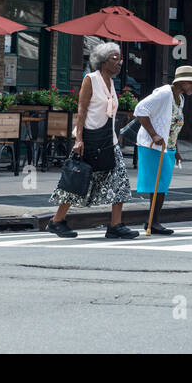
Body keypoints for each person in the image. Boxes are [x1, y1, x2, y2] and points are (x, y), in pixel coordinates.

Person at [45, 42, 137, 240]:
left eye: (120, 59)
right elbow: (82, 110)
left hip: (108, 141)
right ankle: (56, 220)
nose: (119, 63)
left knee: (120, 181)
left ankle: (115, 225)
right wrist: (78, 139)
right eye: (114, 59)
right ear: (102, 61)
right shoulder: (91, 79)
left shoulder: (111, 82)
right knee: (77, 181)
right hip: (89, 139)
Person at [133, 65, 192, 235]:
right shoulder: (164, 93)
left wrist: (176, 149)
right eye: (191, 82)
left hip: (167, 147)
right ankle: (152, 222)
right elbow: (140, 109)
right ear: (182, 82)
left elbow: (172, 127)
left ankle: (153, 221)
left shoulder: (180, 99)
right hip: (153, 145)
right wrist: (153, 134)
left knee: (162, 186)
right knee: (157, 186)